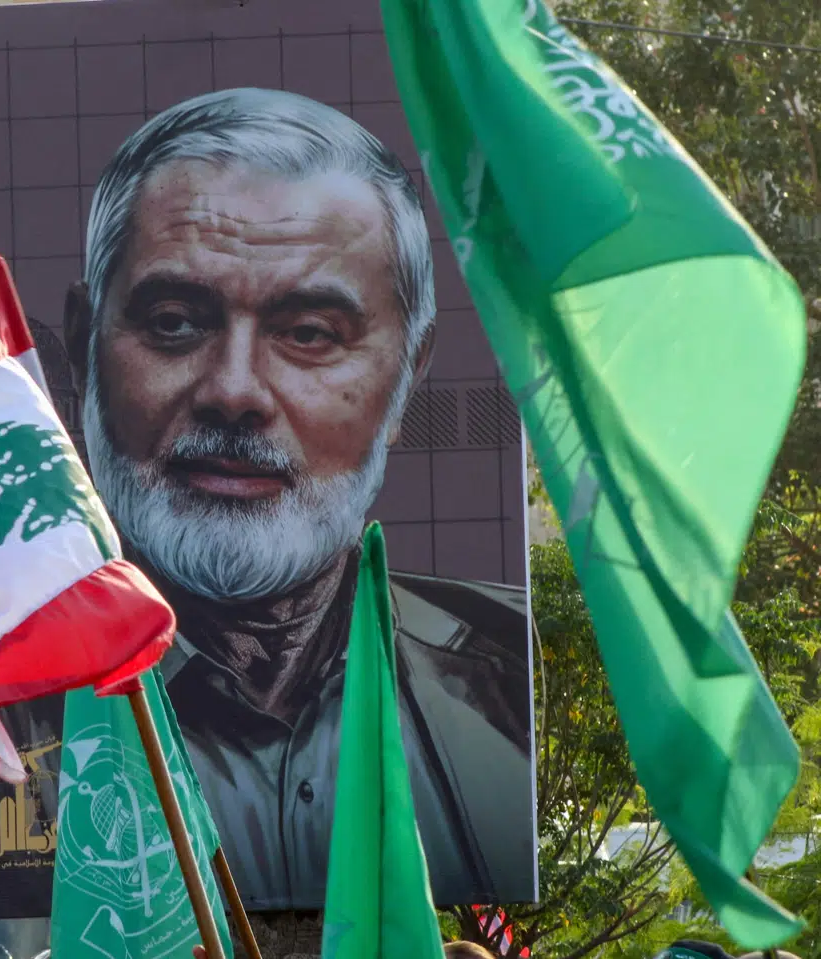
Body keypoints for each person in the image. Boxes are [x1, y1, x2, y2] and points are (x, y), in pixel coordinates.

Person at [62, 86, 533, 908]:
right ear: (82, 349)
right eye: (174, 321)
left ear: (406, 378)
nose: (234, 392)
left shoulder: (504, 677)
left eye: (309, 334)